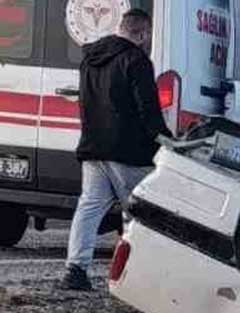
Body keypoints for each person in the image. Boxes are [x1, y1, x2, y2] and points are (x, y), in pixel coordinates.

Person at [60, 9, 170, 292]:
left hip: (93, 147)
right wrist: (165, 140)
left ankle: (75, 269)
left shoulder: (90, 59)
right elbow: (147, 108)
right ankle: (136, 277)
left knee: (89, 208)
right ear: (143, 34)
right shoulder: (137, 60)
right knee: (139, 212)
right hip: (129, 152)